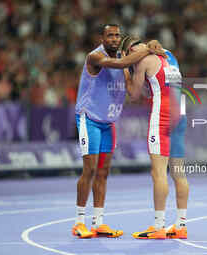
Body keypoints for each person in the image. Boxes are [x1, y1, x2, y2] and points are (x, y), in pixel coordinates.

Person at [72, 25, 166, 238]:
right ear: (102, 38)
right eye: (110, 35)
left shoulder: (125, 65)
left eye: (117, 36)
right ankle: (79, 222)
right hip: (90, 120)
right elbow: (121, 62)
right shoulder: (95, 57)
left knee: (103, 173)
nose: (114, 39)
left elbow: (133, 91)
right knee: (90, 170)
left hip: (109, 123)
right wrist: (148, 49)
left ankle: (98, 222)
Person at [122, 37, 189, 239]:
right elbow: (156, 84)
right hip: (181, 114)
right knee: (179, 173)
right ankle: (181, 225)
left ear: (132, 50)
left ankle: (159, 226)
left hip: (163, 116)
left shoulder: (143, 61)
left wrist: (125, 70)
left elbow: (133, 94)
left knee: (158, 172)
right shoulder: (168, 54)